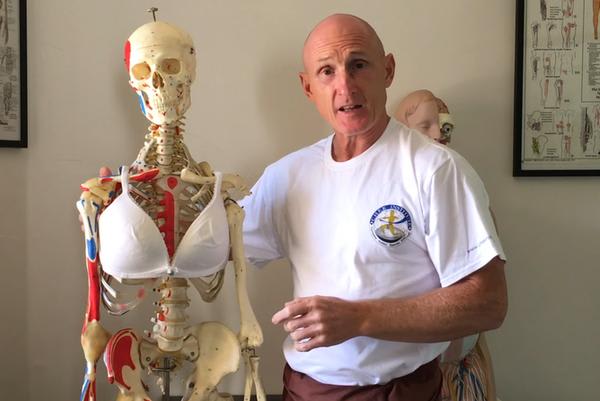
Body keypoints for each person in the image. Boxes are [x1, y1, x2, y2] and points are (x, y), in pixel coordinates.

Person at [240, 14, 507, 401]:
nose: (345, 86)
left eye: (359, 65)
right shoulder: (287, 175)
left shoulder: (435, 169)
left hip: (399, 391)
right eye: (327, 71)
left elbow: (488, 303)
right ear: (308, 86)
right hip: (304, 389)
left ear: (388, 70)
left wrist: (360, 318)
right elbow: (216, 250)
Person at [396, 89, 498, 401]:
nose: (438, 134)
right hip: (415, 366)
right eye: (425, 125)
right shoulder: (395, 194)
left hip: (462, 362)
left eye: (444, 126)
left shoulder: (464, 184)